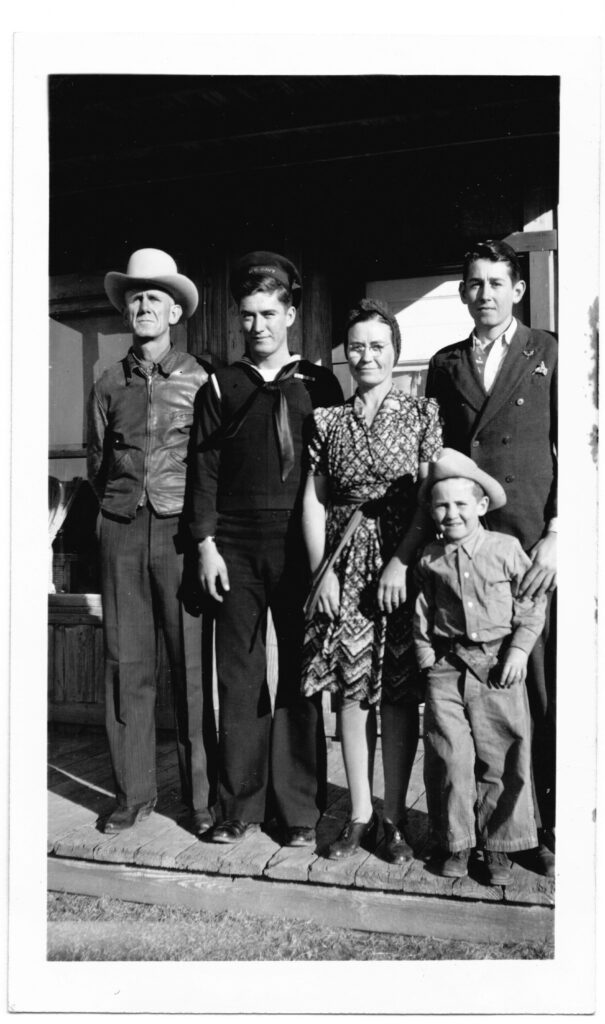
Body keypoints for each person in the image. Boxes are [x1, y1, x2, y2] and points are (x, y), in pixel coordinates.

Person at [190, 250, 343, 847]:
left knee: (303, 675)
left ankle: (299, 811)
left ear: (291, 314)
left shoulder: (318, 384)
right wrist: (205, 544)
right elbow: (201, 471)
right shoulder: (221, 386)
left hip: (301, 544)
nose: (258, 326)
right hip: (234, 545)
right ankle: (239, 807)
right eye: (248, 315)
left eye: (269, 313)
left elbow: (334, 469)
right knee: (240, 674)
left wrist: (329, 554)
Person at [425, 239, 557, 876]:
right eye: (474, 283)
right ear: (463, 292)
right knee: (463, 705)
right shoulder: (446, 362)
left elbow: (583, 446)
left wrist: (558, 532)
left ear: (518, 289)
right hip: (462, 544)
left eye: (496, 283)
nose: (485, 294)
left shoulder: (549, 352)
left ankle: (537, 828)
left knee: (531, 686)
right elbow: (440, 458)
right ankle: (469, 835)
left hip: (529, 544)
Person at [301, 298, 442, 862]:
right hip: (344, 563)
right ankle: (359, 814)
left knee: (399, 690)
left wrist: (402, 561)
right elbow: (314, 501)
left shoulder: (420, 413)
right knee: (353, 691)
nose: (366, 356)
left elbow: (429, 495)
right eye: (356, 346)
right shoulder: (327, 420)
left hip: (400, 564)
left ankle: (394, 816)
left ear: (394, 352)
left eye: (377, 346)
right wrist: (323, 573)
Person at [87, 248, 217, 836]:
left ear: (173, 310)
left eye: (154, 296)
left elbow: (212, 463)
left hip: (179, 533)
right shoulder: (107, 382)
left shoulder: (200, 377)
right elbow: (97, 460)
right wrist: (115, 510)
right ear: (127, 310)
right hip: (119, 529)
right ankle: (132, 794)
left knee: (189, 667)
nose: (143, 305)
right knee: (126, 666)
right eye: (135, 296)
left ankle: (200, 800)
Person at [414, 449, 546, 885]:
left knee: (502, 755)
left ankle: (499, 847)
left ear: (481, 506)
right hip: (448, 668)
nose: (451, 514)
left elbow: (531, 603)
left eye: (461, 505)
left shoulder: (505, 550)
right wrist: (427, 658)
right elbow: (421, 612)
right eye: (442, 505)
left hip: (498, 666)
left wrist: (519, 651)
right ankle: (456, 842)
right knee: (450, 756)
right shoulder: (430, 559)